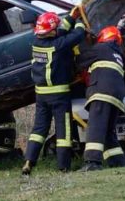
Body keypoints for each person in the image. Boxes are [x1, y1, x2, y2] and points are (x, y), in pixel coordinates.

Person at [22, 9, 85, 176]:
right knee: (63, 130)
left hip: (41, 95)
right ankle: (63, 166)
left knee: (39, 129)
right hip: (59, 95)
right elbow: (78, 35)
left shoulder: (36, 41)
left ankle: (29, 161)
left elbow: (60, 31)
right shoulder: (58, 45)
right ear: (51, 31)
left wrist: (70, 17)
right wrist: (79, 21)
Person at [77, 26, 125, 171]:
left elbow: (80, 60)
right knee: (108, 131)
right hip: (117, 96)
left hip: (102, 92)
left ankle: (92, 162)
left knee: (96, 126)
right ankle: (118, 161)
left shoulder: (101, 48)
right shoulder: (117, 54)